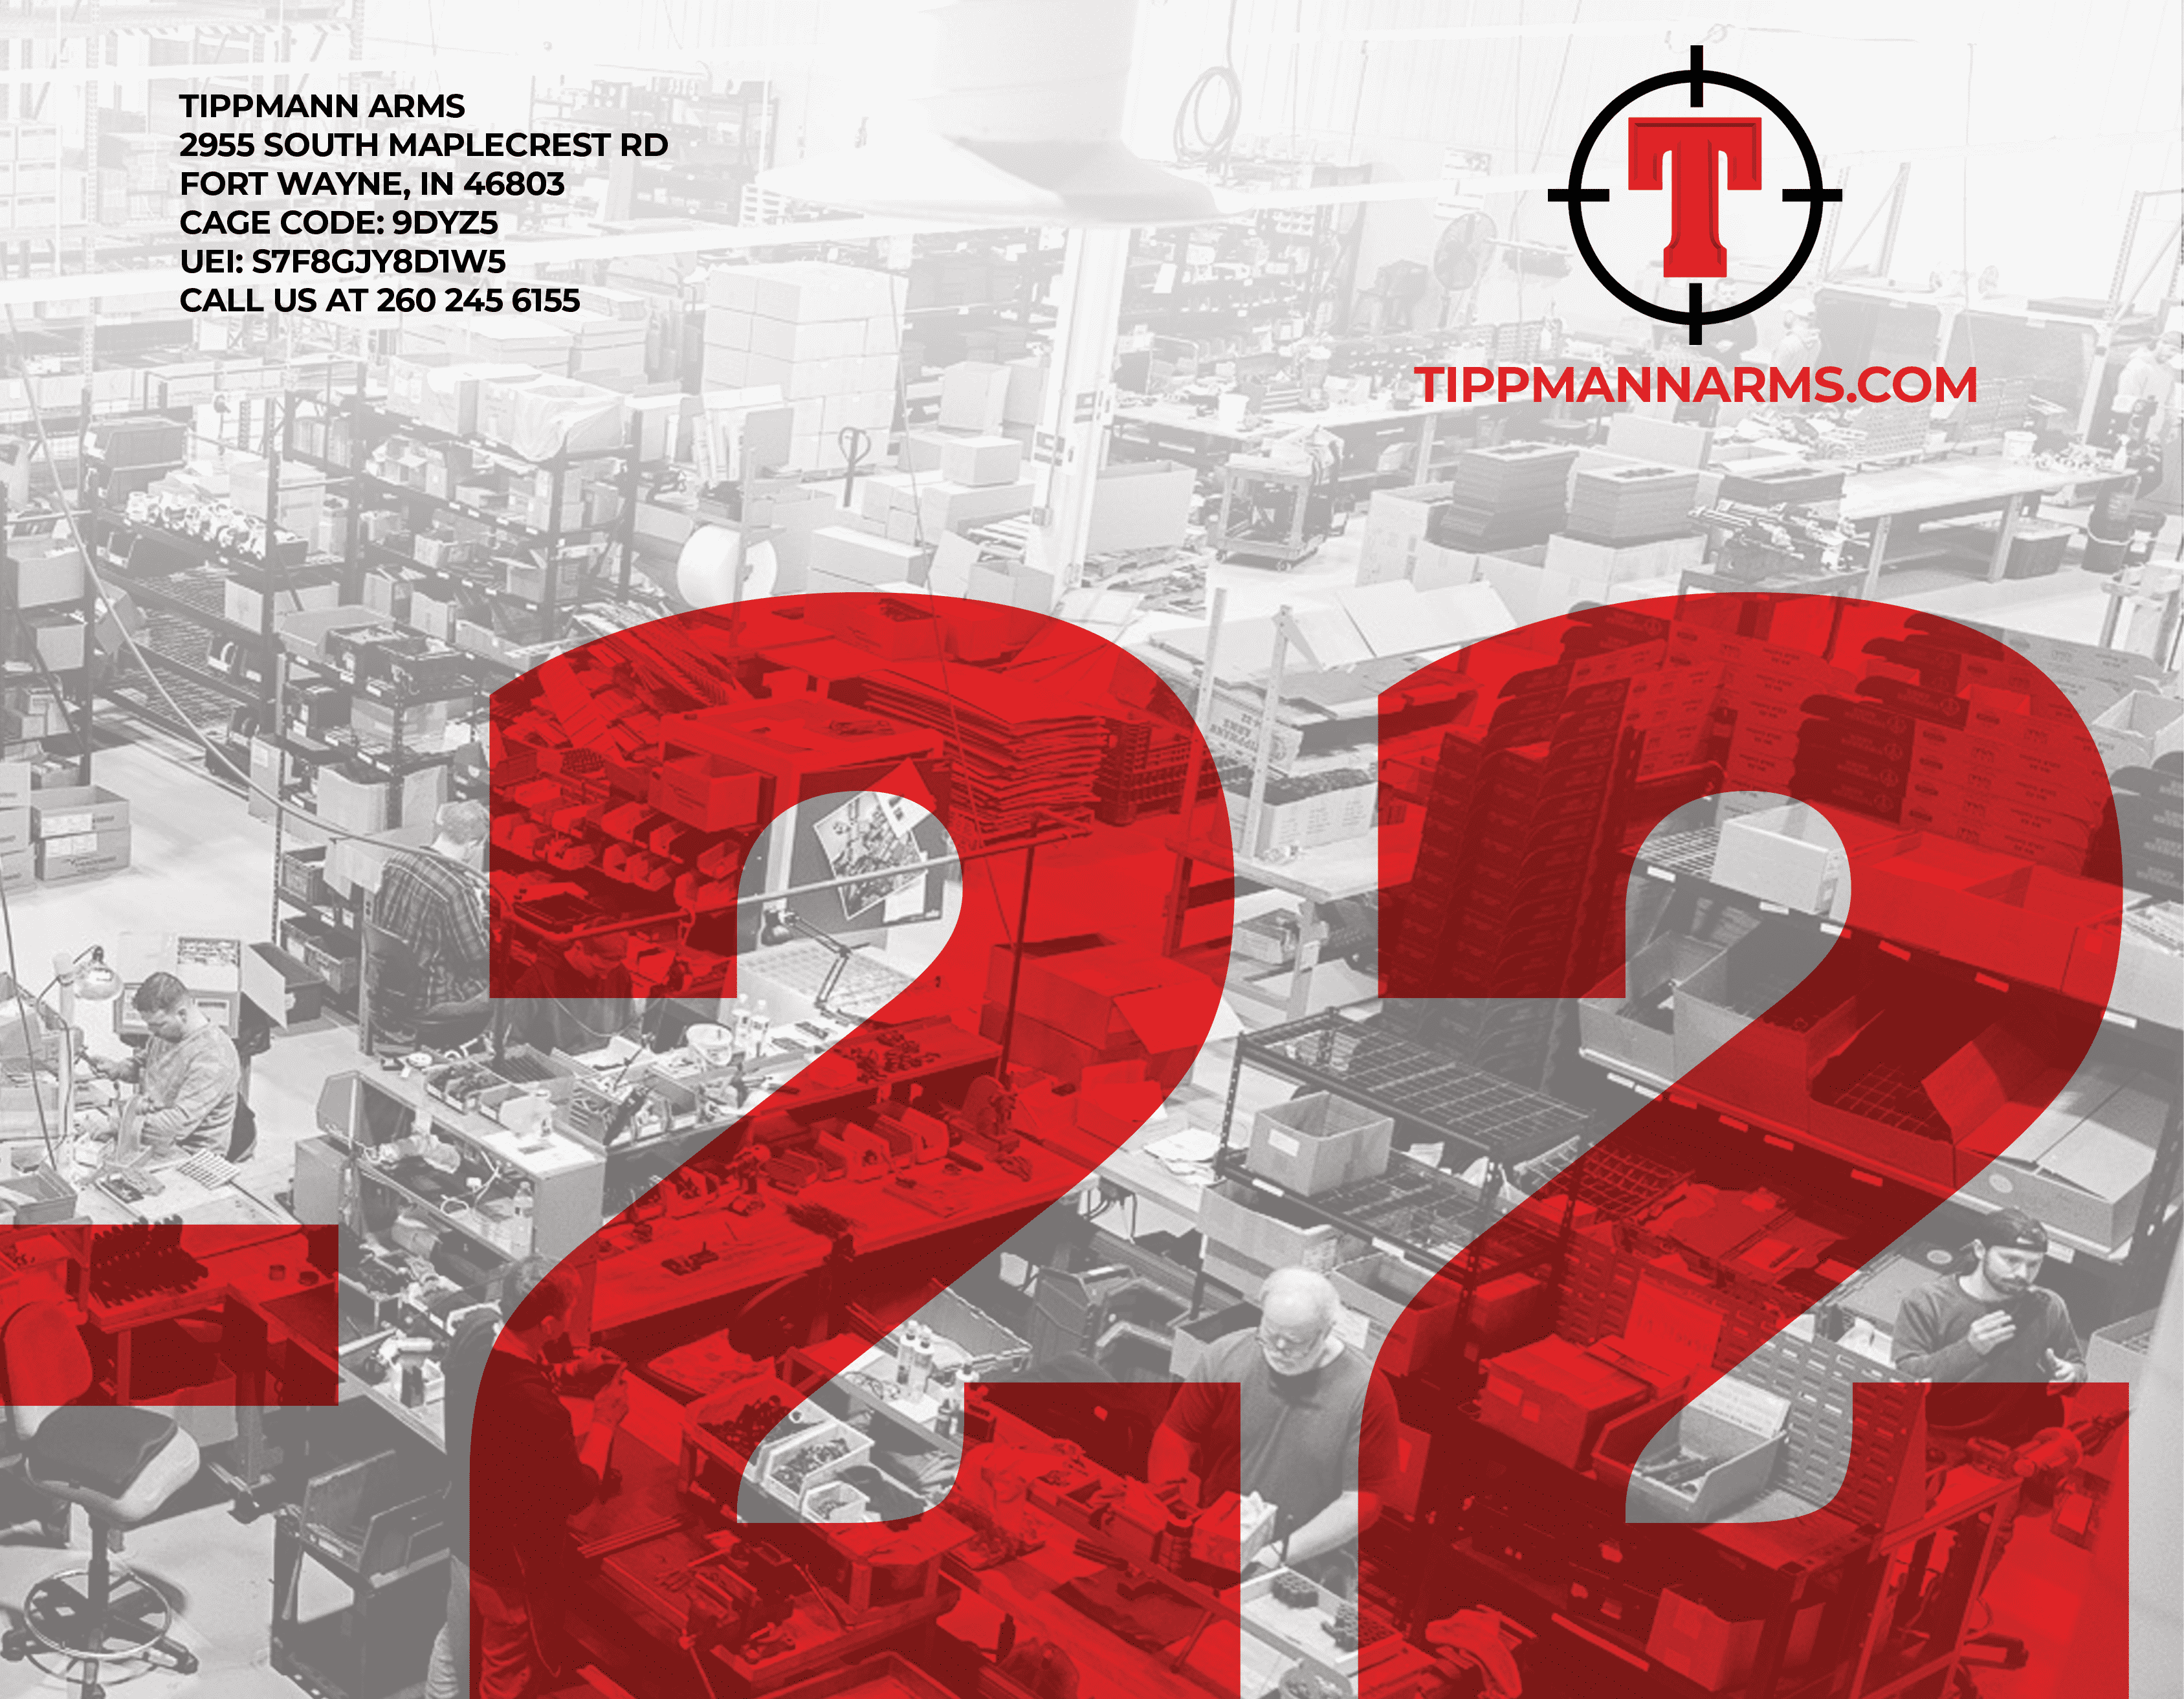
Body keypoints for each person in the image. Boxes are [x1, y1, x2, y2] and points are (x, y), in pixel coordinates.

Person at [426, 1258, 628, 1699]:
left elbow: (504, 1375)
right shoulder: (539, 1410)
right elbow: (576, 1492)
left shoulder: (475, 1332)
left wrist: (570, 1372)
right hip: (506, 1560)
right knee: (506, 1670)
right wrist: (605, 1420)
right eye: (569, 1312)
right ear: (550, 1325)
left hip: (462, 1526)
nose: (570, 1321)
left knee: (455, 1640)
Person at [1148, 1267, 1402, 1597]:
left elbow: (1363, 1501)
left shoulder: (1365, 1394)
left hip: (1305, 1566)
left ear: (1327, 1330)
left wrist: (1277, 1553)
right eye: (1269, 1334)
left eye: (1295, 1342)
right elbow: (1176, 1437)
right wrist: (1171, 1507)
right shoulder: (1225, 1358)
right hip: (1215, 1545)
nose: (1279, 1349)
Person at [1893, 1208, 2084, 1445]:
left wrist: (2070, 1374)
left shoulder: (2048, 1306)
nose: (2023, 1274)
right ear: (1980, 1250)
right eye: (2011, 1260)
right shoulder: (1927, 1303)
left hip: (2015, 1442)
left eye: (2034, 1264)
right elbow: (1908, 1378)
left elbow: (2076, 1365)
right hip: (1943, 1438)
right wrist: (1969, 1349)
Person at [80, 972, 240, 1162]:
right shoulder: (166, 1035)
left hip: (190, 1155)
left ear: (182, 1014)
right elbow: (145, 1063)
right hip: (152, 1139)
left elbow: (176, 1125)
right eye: (149, 1025)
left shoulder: (214, 1055)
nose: (152, 1032)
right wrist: (118, 1069)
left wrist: (116, 1118)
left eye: (158, 1025)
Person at [373, 799, 491, 1047]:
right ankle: (486, 1054)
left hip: (390, 989)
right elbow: (479, 955)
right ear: (472, 845)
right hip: (432, 999)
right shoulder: (456, 890)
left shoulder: (396, 861)